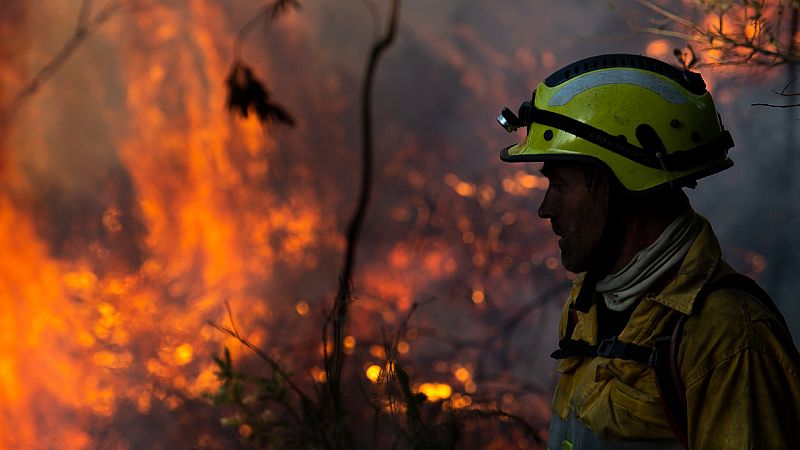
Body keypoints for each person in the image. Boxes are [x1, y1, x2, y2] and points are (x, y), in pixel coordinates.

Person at [496, 53, 800, 449]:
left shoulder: (728, 338)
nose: (545, 208)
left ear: (617, 183)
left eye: (561, 185)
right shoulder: (585, 307)